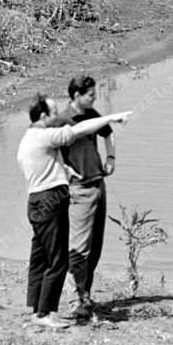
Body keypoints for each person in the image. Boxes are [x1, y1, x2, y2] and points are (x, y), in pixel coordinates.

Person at [16, 92, 131, 329]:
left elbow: (46, 165)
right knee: (57, 260)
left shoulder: (29, 138)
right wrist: (112, 117)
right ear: (42, 116)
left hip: (36, 200)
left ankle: (36, 308)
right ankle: (45, 313)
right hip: (50, 201)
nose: (58, 116)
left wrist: (66, 171)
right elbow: (79, 130)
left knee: (39, 257)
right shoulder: (46, 136)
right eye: (54, 112)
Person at [62, 75, 114, 318]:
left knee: (95, 246)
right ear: (76, 96)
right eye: (90, 95)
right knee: (79, 248)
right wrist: (66, 171)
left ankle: (85, 294)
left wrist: (110, 157)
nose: (94, 98)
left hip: (98, 183)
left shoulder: (92, 114)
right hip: (79, 188)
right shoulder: (63, 120)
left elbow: (107, 132)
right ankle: (74, 301)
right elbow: (52, 152)